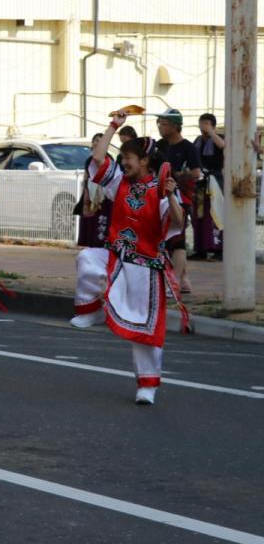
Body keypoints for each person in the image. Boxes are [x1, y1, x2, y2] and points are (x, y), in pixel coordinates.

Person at [71, 111, 184, 405]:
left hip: (145, 268)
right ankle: (93, 308)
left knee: (143, 331)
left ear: (145, 160)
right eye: (122, 157)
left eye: (129, 157)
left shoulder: (160, 188)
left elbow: (178, 221)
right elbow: (98, 157)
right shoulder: (119, 182)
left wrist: (171, 196)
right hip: (116, 258)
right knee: (87, 259)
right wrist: (113, 126)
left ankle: (147, 385)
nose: (124, 162)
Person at [155, 108, 200, 292]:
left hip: (181, 197)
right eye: (159, 123)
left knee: (178, 240)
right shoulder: (160, 146)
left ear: (175, 126)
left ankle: (172, 283)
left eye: (163, 124)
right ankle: (183, 279)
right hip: (161, 196)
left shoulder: (188, 147)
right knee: (168, 238)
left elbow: (197, 172)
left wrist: (179, 175)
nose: (160, 127)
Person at [190, 112, 225, 261]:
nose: (202, 127)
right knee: (199, 215)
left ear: (213, 125)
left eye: (206, 124)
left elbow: (223, 146)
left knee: (216, 213)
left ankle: (218, 249)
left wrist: (211, 131)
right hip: (200, 181)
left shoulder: (219, 138)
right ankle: (201, 249)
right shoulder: (197, 141)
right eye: (201, 123)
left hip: (215, 180)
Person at [76, 133, 113, 249]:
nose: (97, 143)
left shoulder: (109, 159)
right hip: (90, 194)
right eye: (95, 140)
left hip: (103, 196)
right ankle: (90, 243)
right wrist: (85, 194)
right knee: (90, 220)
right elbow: (86, 178)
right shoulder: (89, 160)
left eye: (100, 140)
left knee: (101, 220)